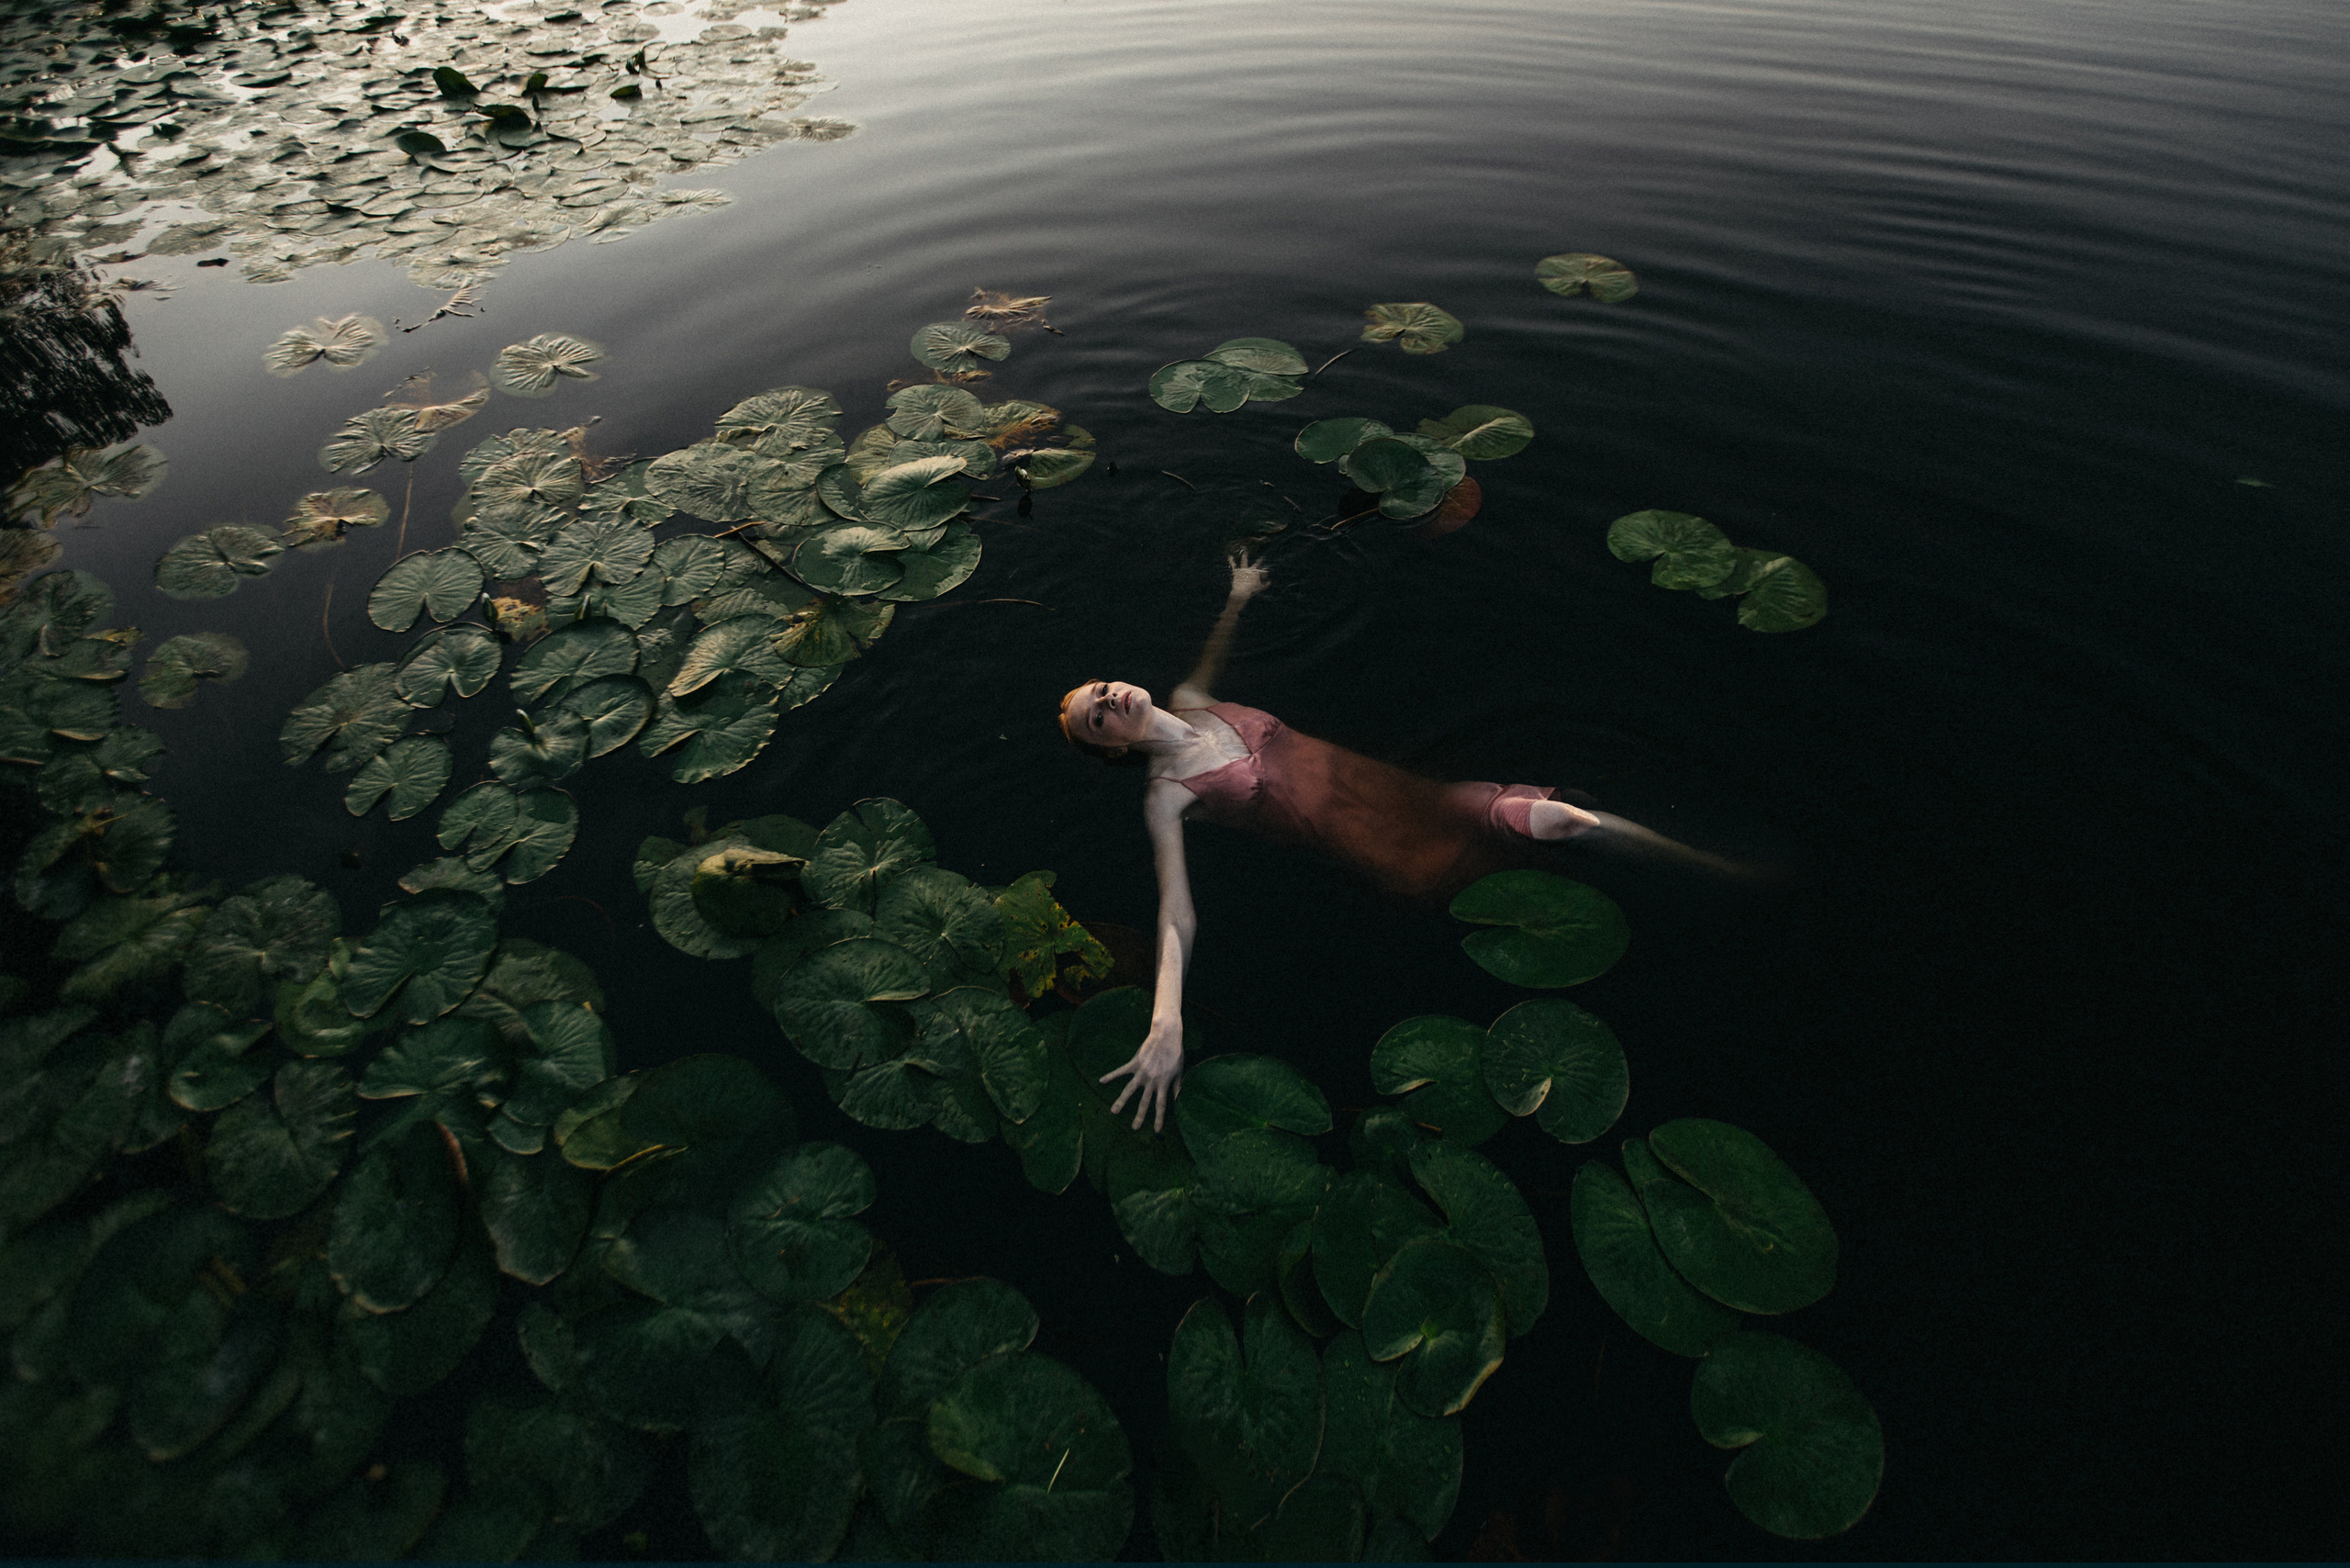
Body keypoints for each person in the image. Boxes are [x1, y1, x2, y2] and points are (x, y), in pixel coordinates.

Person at [1059, 548, 1687, 1133]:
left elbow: (1211, 656)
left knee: (1562, 818)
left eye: (1103, 689)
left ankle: (1701, 865)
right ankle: (1669, 937)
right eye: (1099, 716)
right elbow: (1176, 911)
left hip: (1400, 794)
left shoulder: (1194, 701)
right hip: (1384, 850)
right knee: (1549, 880)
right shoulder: (1165, 795)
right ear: (1112, 745)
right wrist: (1166, 1017)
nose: (1111, 699)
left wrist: (1239, 597)